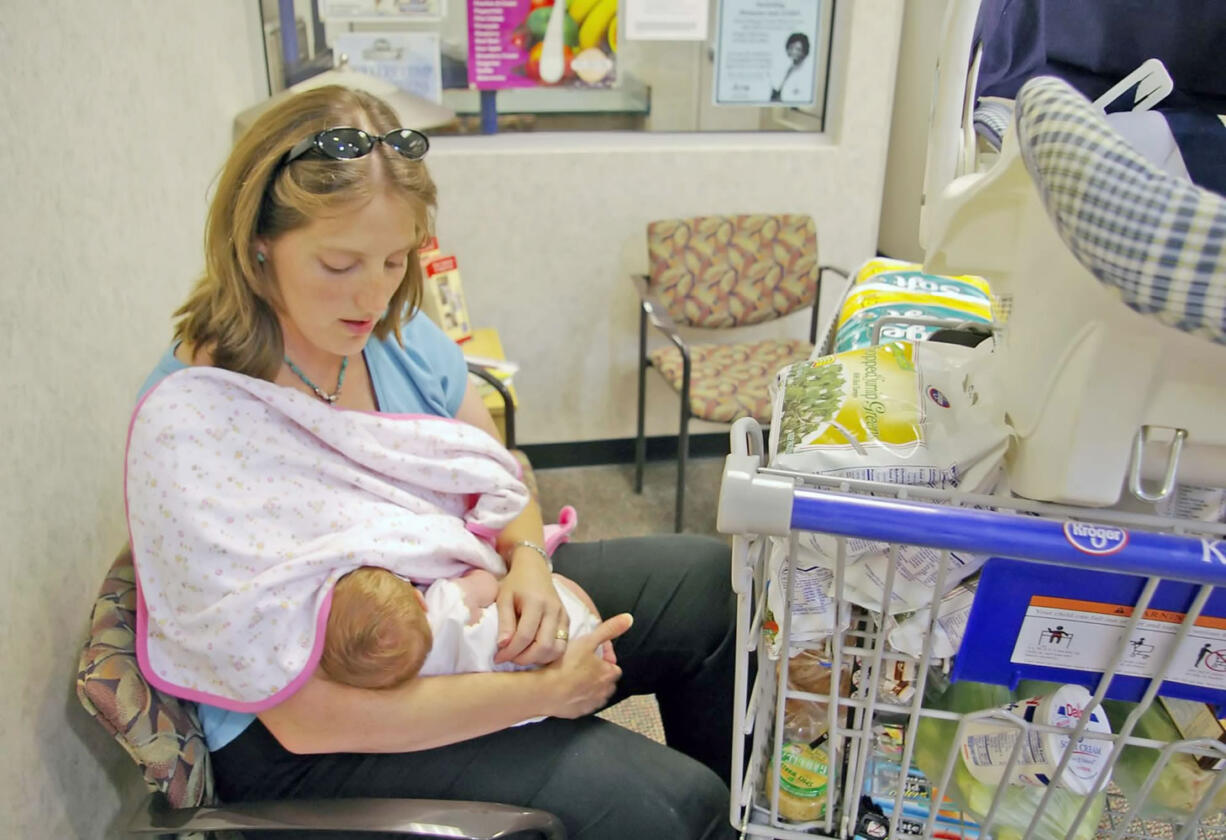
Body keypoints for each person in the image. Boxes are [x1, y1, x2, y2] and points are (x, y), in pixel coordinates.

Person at [134, 84, 739, 839]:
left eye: (394, 260)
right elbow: (308, 719)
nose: (372, 293)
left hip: (449, 607)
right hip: (317, 727)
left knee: (708, 586)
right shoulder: (195, 420)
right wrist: (544, 692)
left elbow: (494, 470)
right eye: (339, 263)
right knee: (668, 806)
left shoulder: (393, 333)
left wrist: (527, 566)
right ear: (258, 241)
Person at [321, 565, 604, 691]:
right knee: (558, 582)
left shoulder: (409, 673)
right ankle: (595, 624)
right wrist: (470, 576)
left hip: (535, 683)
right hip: (560, 630)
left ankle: (597, 635)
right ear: (420, 599)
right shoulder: (443, 604)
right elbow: (487, 582)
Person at [770, 32, 813, 104]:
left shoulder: (806, 72)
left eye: (798, 49)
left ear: (804, 51)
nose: (793, 51)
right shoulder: (791, 67)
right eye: (791, 48)